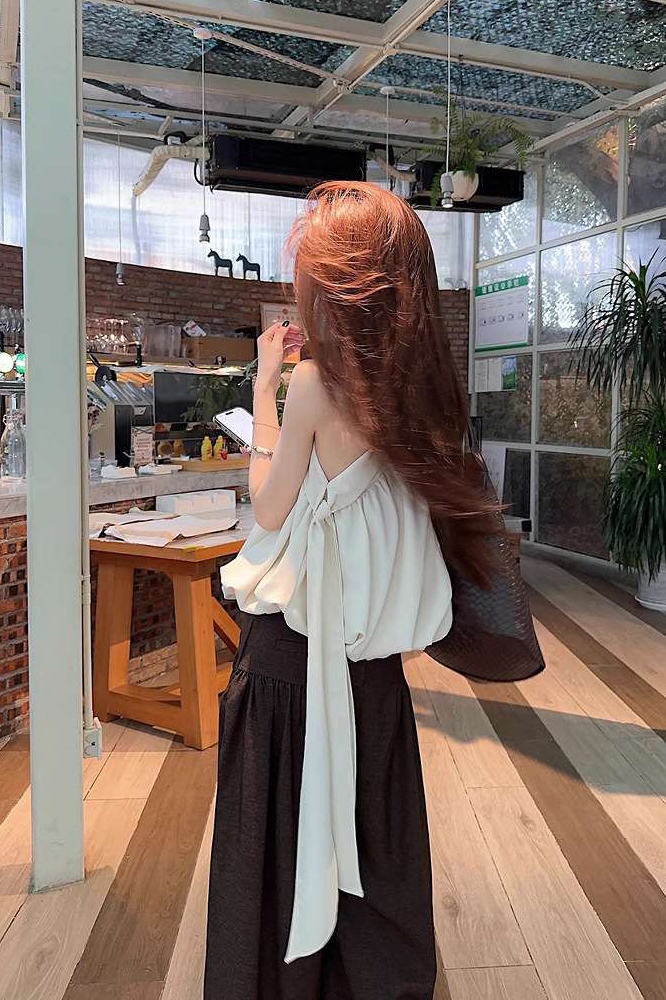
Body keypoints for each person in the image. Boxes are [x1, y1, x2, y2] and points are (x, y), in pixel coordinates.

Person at [205, 181, 495, 1000]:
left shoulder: (313, 386)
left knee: (271, 868)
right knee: (379, 859)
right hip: (375, 679)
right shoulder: (432, 395)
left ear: (335, 287)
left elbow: (269, 507)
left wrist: (263, 390)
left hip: (289, 669)